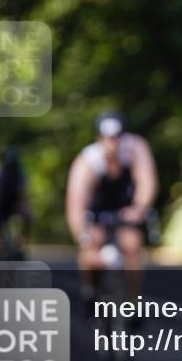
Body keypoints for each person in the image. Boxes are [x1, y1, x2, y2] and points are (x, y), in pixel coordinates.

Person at [66, 111, 158, 316]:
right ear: (99, 137)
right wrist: (82, 236)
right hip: (96, 211)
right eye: (108, 137)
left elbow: (147, 182)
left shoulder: (136, 148)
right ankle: (91, 292)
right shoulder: (88, 161)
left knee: (132, 245)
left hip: (126, 210)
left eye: (117, 137)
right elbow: (75, 203)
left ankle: (133, 304)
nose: (113, 143)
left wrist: (139, 208)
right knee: (91, 248)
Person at [0, 147, 32, 260]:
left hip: (14, 202)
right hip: (2, 204)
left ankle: (20, 244)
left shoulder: (19, 174)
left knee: (27, 221)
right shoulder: (0, 175)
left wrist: (26, 210)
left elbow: (23, 195)